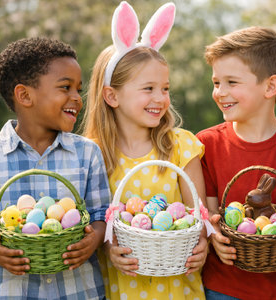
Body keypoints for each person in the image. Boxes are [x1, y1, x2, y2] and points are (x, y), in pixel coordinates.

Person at [81, 2, 208, 299]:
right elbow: (93, 226)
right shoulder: (94, 154)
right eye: (148, 88)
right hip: (123, 288)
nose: (160, 98)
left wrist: (204, 243)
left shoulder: (179, 146)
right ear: (112, 95)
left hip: (178, 289)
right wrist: (109, 248)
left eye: (165, 88)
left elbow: (198, 218)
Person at [0, 37, 111, 299]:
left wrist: (92, 239)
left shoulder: (87, 153)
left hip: (79, 291)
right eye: (65, 87)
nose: (77, 98)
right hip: (12, 292)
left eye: (78, 90)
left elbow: (101, 214)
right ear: (25, 95)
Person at [196, 26, 276, 300]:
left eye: (232, 83)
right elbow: (211, 215)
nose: (220, 92)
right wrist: (214, 237)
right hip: (223, 287)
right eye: (216, 82)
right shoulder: (207, 144)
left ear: (270, 86)